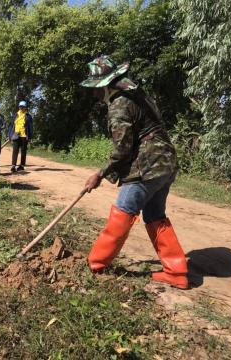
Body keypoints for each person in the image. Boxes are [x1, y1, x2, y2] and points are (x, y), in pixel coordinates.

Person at [81, 55, 188, 289]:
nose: (94, 93)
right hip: (167, 163)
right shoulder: (139, 95)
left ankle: (96, 264)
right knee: (155, 215)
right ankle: (176, 272)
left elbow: (122, 148)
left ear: (106, 85)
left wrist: (99, 175)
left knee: (124, 210)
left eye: (95, 88)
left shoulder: (119, 105)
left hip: (146, 167)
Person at [8, 101, 33, 172]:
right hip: (16, 135)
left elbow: (30, 127)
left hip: (24, 136)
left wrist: (30, 137)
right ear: (19, 107)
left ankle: (22, 166)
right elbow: (11, 126)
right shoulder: (15, 115)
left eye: (23, 107)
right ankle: (13, 166)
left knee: (23, 151)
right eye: (20, 107)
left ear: (25, 108)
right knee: (15, 150)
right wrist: (9, 135)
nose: (21, 108)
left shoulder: (28, 116)